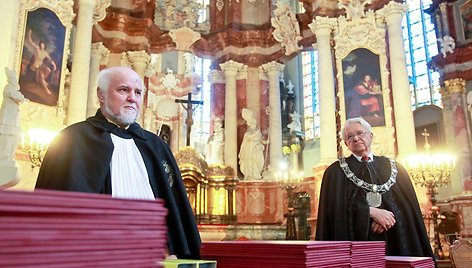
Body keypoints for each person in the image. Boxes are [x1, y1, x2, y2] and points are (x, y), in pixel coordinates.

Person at [35, 66, 201, 259]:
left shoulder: (156, 146)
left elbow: (175, 210)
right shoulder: (72, 140)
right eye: (123, 90)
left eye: (138, 92)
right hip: (94, 258)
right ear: (101, 94)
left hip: (154, 257)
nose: (132, 98)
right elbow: (55, 213)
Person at [316, 117, 434, 259]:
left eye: (360, 133)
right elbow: (334, 213)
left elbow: (408, 208)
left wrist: (388, 217)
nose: (355, 138)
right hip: (358, 247)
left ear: (370, 136)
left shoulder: (395, 168)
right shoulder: (335, 172)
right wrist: (370, 212)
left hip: (395, 239)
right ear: (346, 143)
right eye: (350, 136)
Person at [25, 29, 57, 95]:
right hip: (35, 66)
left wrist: (54, 65)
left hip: (41, 66)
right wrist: (29, 34)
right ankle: (46, 89)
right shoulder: (37, 49)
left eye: (43, 45)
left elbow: (50, 59)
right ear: (40, 45)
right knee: (41, 76)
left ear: (44, 46)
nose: (42, 46)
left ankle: (41, 80)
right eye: (41, 45)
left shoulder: (45, 53)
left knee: (48, 70)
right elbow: (30, 41)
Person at [238, 108, 265, 180]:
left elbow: (261, 140)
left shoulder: (257, 132)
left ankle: (256, 174)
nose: (254, 125)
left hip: (256, 150)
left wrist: (267, 141)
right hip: (248, 150)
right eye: (252, 123)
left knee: (257, 161)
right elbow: (248, 137)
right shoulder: (248, 133)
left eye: (254, 123)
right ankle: (249, 175)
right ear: (249, 124)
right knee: (249, 161)